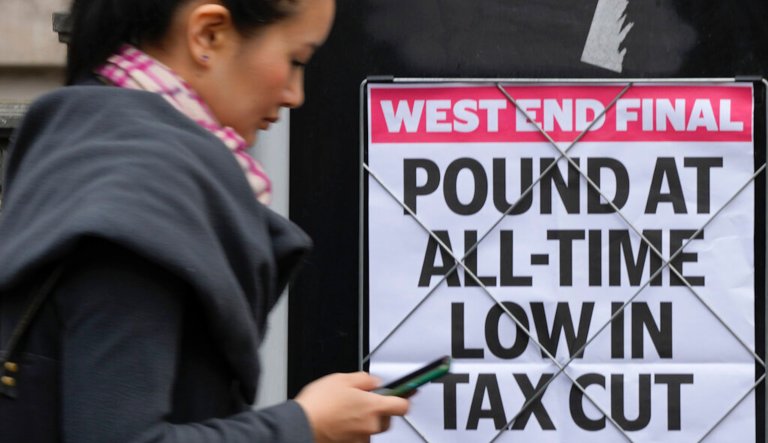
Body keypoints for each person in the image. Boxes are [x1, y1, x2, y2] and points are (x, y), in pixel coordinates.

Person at [0, 0, 409, 442]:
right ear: (208, 35)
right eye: (295, 60)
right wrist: (305, 425)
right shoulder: (140, 204)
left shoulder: (88, 150)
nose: (295, 94)